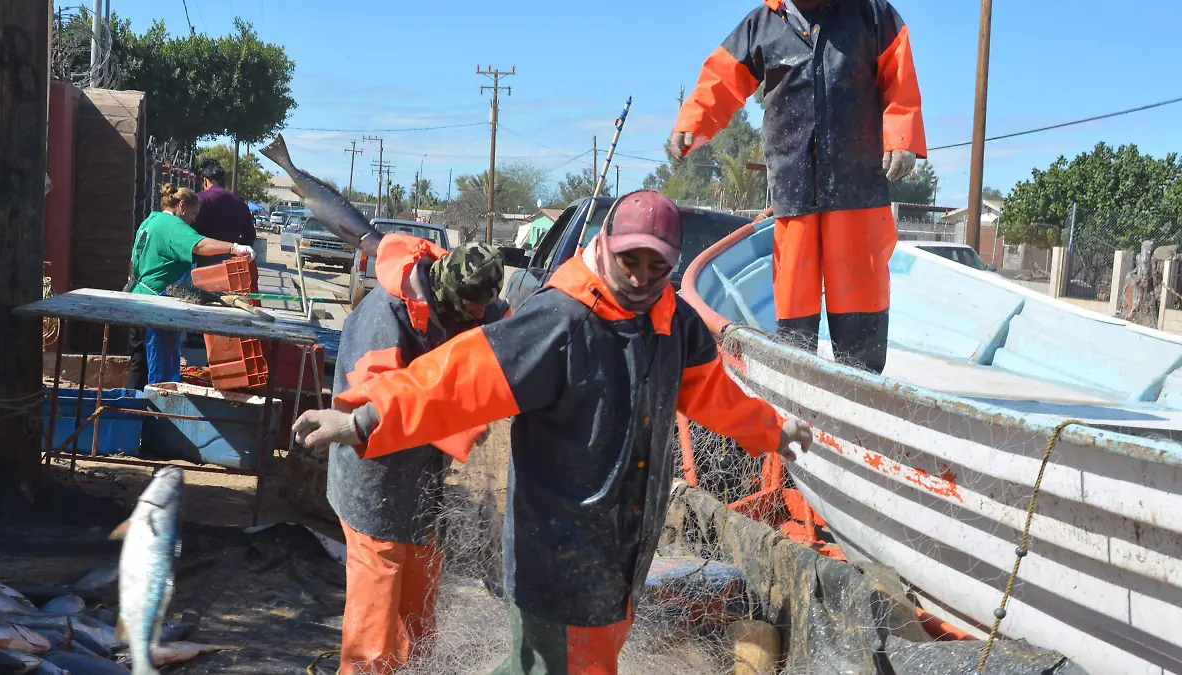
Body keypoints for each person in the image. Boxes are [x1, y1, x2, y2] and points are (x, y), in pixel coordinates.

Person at [293, 190, 813, 674]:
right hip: (557, 560)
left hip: (622, 557)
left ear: (673, 265)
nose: (639, 277)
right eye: (630, 260)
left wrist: (771, 431)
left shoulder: (674, 323)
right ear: (605, 244)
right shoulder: (559, 321)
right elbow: (454, 381)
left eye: (656, 266)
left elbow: (711, 395)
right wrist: (361, 420)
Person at [670, 0, 927, 374]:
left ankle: (862, 388)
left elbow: (898, 74)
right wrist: (694, 120)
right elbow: (723, 77)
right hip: (794, 188)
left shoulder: (870, 13)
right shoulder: (763, 24)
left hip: (858, 190)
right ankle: (795, 385)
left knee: (862, 295)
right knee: (793, 301)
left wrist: (901, 138)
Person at [320, 235, 508, 675]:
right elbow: (373, 410)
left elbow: (500, 336)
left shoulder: (458, 300)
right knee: (378, 595)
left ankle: (414, 669)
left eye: (483, 308)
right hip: (373, 477)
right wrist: (463, 424)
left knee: (420, 591)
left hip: (424, 478)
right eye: (471, 310)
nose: (477, 317)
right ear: (446, 292)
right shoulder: (383, 319)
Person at [125, 185, 256, 389]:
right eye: (193, 214)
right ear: (182, 206)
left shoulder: (149, 222)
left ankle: (129, 409)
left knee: (139, 363)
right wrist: (234, 247)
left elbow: (133, 264)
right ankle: (153, 414)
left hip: (137, 301)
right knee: (160, 373)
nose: (193, 221)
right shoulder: (173, 226)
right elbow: (200, 245)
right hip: (157, 309)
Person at [193, 158, 256, 268]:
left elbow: (190, 230)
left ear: (205, 181)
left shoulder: (200, 199)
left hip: (202, 263)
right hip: (230, 265)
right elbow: (250, 234)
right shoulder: (239, 203)